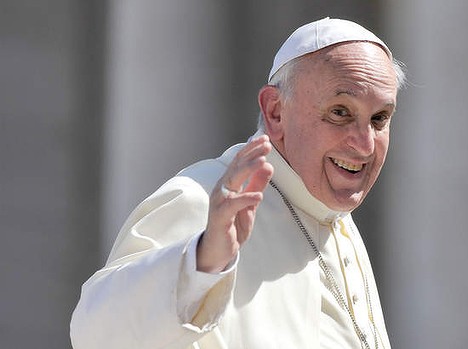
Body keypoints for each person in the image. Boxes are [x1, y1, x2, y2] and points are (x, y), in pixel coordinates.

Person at [70, 17, 406, 349]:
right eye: (339, 112)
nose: (364, 144)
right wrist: (203, 261)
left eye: (379, 119)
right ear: (275, 111)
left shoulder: (334, 219)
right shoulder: (202, 200)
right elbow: (95, 334)